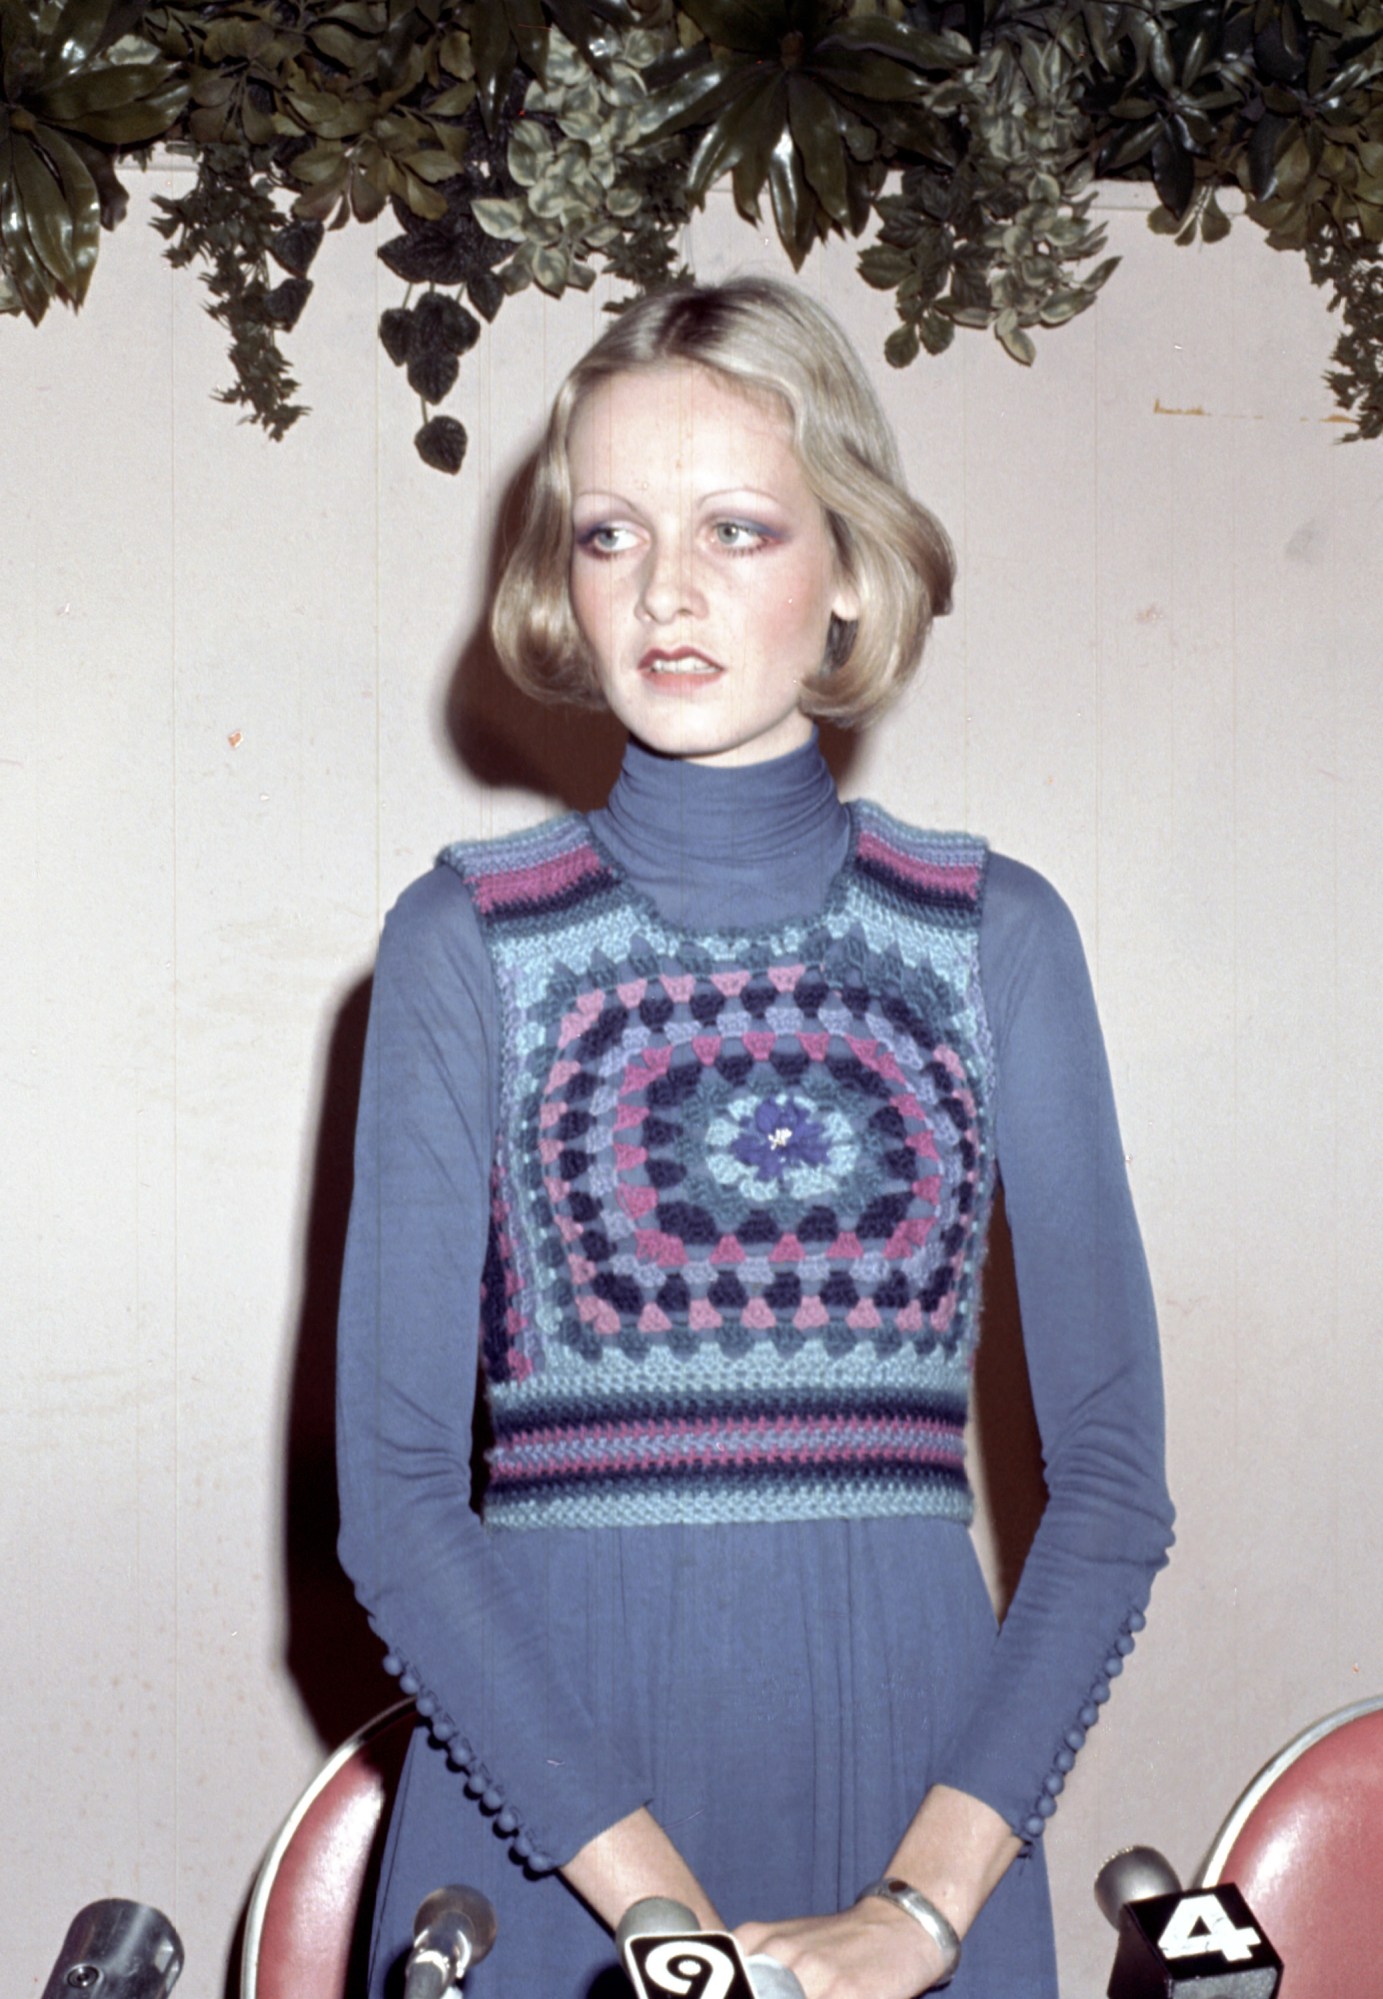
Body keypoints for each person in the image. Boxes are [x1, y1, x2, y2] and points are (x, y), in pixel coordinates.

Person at [336, 276, 1175, 1999]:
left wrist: (923, 1910)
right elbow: (397, 1506)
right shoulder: (463, 943)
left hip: (917, 1837)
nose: (665, 590)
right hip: (548, 1842)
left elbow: (1105, 1487)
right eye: (610, 533)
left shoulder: (994, 935)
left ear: (852, 566)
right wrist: (650, 1911)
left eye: (736, 526)